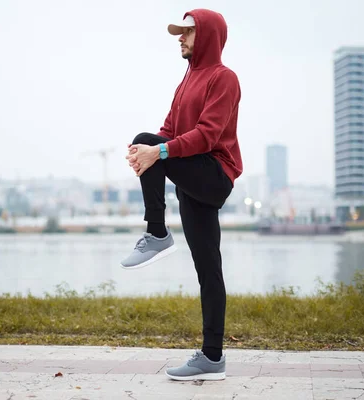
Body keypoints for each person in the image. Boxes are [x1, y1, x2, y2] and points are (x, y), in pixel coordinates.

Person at [121, 8, 243, 381]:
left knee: (148, 142)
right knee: (208, 269)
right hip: (193, 178)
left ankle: (157, 232)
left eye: (187, 32)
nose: (180, 38)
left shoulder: (224, 78)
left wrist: (155, 151)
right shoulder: (186, 80)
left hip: (215, 173)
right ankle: (212, 357)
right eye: (180, 33)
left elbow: (207, 135)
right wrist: (143, 155)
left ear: (206, 36)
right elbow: (169, 130)